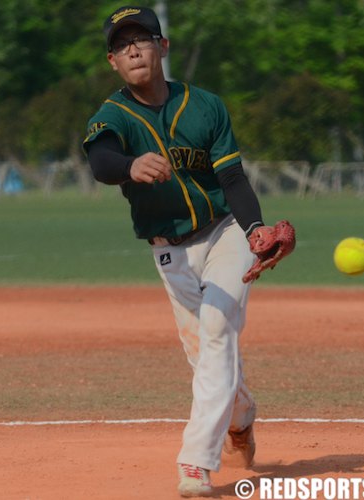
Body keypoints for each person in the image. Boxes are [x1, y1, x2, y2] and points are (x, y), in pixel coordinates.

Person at [83, 6, 295, 497]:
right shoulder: (112, 116)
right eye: (122, 45)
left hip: (224, 233)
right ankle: (240, 417)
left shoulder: (205, 106)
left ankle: (196, 463)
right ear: (113, 61)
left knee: (219, 328)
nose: (133, 49)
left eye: (142, 39)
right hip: (170, 252)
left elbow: (232, 178)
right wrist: (129, 166)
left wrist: (256, 229)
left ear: (164, 47)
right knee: (206, 357)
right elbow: (100, 159)